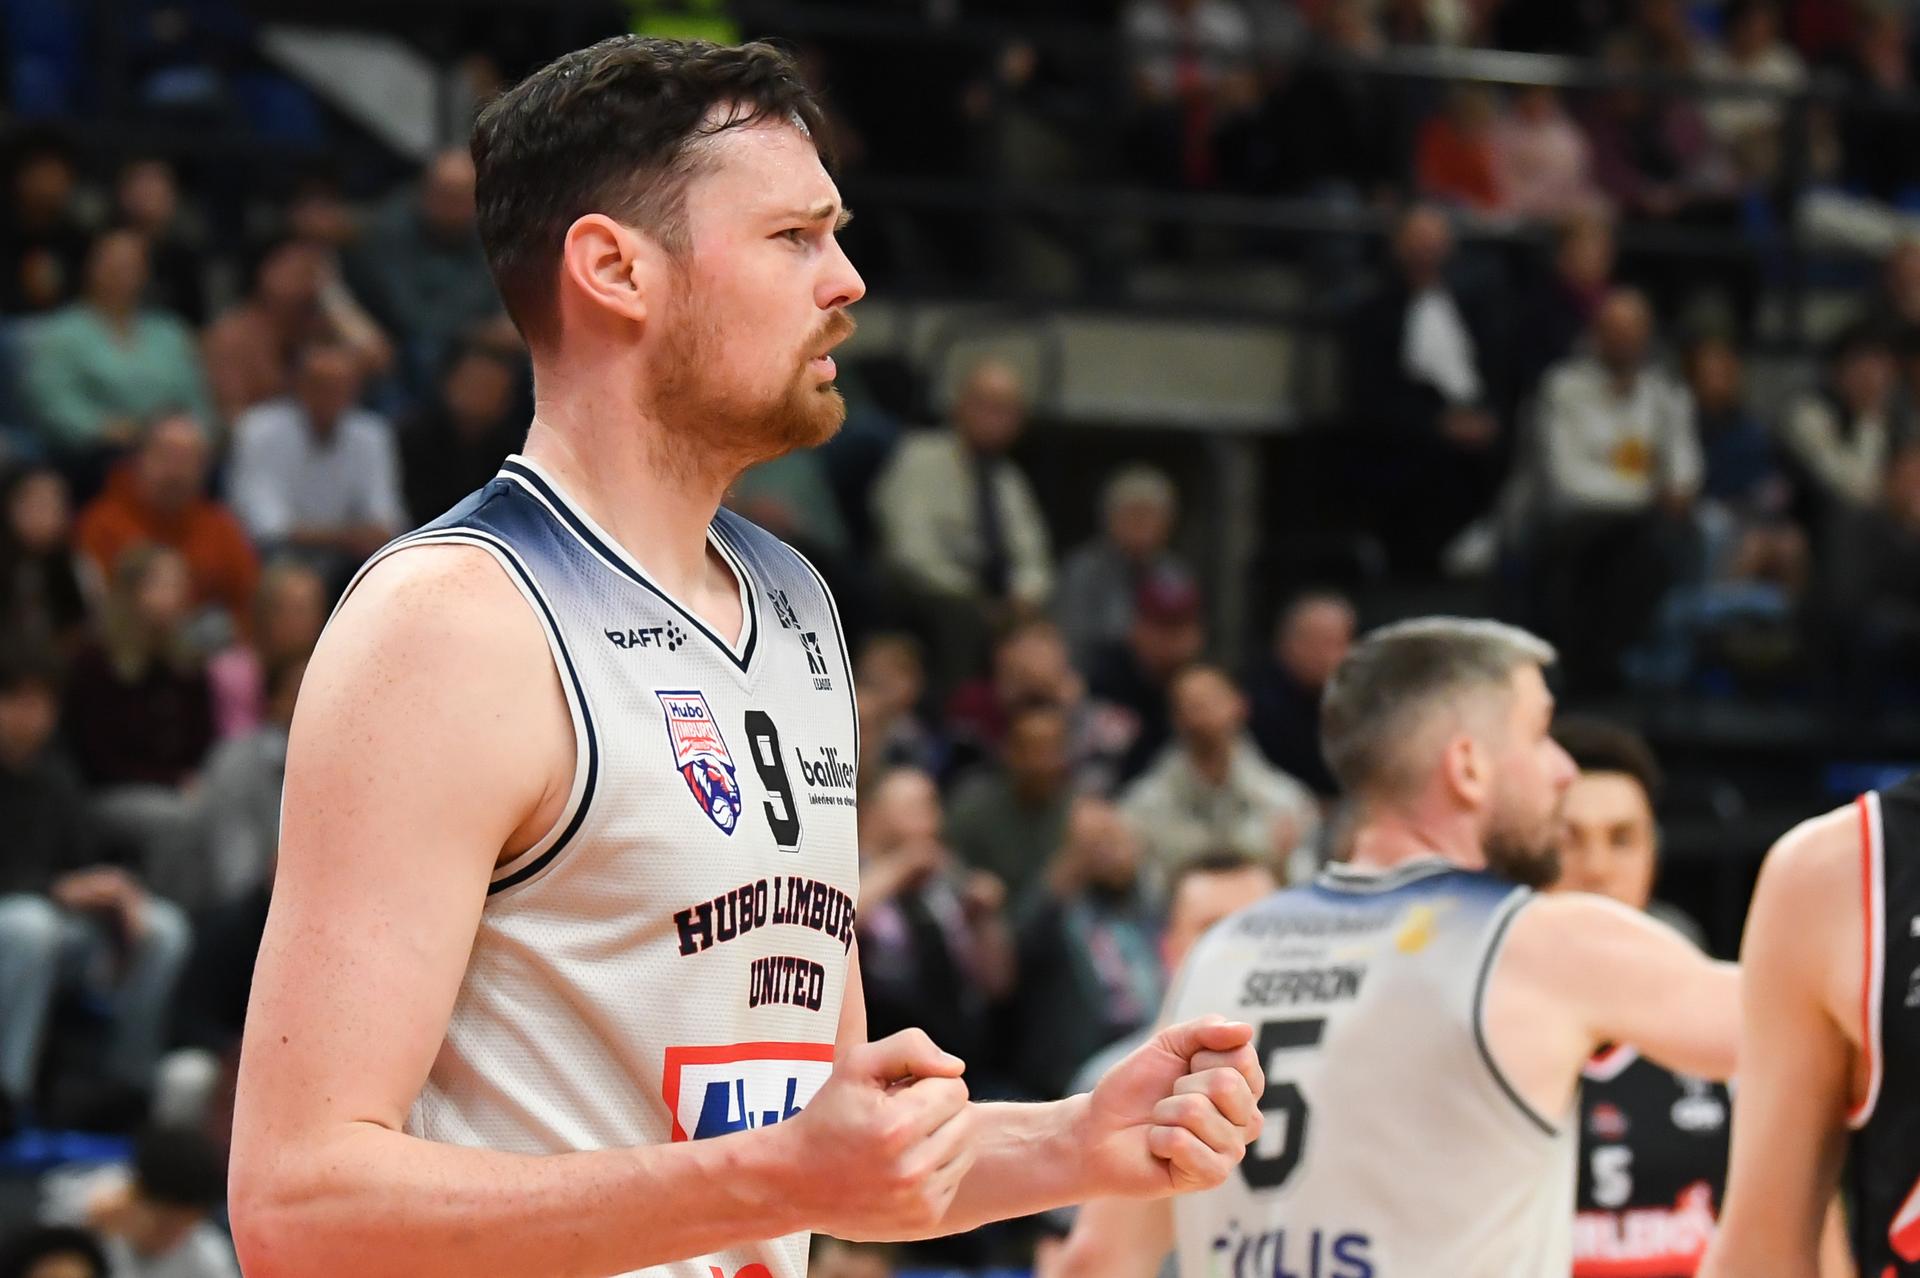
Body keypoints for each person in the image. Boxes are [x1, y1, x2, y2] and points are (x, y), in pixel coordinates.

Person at [228, 37, 1262, 1278]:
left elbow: (824, 1157)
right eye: (794, 238)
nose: (849, 281)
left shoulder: (795, 603)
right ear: (615, 268)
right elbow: (301, 1205)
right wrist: (771, 1175)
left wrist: (1078, 1141)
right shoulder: (456, 623)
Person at [1050, 617, 1738, 1276]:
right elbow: (1796, 1019)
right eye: (1540, 732)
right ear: (1468, 767)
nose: (1563, 770)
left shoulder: (1225, 948)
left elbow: (1097, 1260)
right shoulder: (1538, 940)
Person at [0, 636, 192, 1132]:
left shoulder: (55, 777)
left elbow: (85, 862)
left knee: (163, 927)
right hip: (18, 926)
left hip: (58, 932)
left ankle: (124, 1088)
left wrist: (116, 893)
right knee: (30, 925)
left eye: (44, 702)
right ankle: (9, 1092)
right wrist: (56, 890)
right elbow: (54, 886)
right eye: (19, 700)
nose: (33, 716)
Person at [18, 229, 213, 467]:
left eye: (131, 264)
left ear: (146, 273)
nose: (120, 272)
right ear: (90, 267)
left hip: (172, 451)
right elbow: (53, 403)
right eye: (111, 262)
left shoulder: (170, 333)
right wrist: (101, 429)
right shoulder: (63, 333)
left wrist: (191, 435)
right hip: (96, 454)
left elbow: (196, 402)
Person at [1121, 664, 1320, 892]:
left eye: (1209, 700)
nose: (1198, 713)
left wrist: (1282, 866)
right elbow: (1143, 893)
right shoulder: (1142, 806)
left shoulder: (1287, 802)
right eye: (1187, 705)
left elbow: (1304, 887)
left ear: (1240, 705)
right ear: (1174, 718)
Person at [226, 338, 406, 578]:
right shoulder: (258, 430)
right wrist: (346, 537)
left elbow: (387, 523)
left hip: (349, 565)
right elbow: (267, 528)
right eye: (321, 385)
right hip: (276, 563)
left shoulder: (372, 435)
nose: (331, 395)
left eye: (342, 386)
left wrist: (340, 538)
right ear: (298, 385)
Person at [74, 413, 259, 643]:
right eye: (166, 456)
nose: (176, 472)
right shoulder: (101, 525)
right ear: (139, 458)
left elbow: (248, 606)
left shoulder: (222, 528)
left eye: (188, 460)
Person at [40, 1125, 238, 1278]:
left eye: (185, 1225)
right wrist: (86, 1231)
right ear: (136, 1193)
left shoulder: (206, 1253)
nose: (174, 1235)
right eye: (166, 1223)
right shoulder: (81, 1211)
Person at [1052, 466, 1190, 670]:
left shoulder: (1175, 572)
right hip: (1094, 678)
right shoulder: (1083, 569)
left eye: (1150, 515)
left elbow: (1190, 634)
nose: (1142, 524)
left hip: (1162, 678)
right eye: (1133, 514)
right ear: (1109, 519)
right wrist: (1135, 639)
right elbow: (1070, 637)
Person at [1246, 591, 1354, 799]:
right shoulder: (1257, 708)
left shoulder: (1353, 703)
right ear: (1291, 643)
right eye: (1328, 643)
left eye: (1345, 641)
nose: (1344, 654)